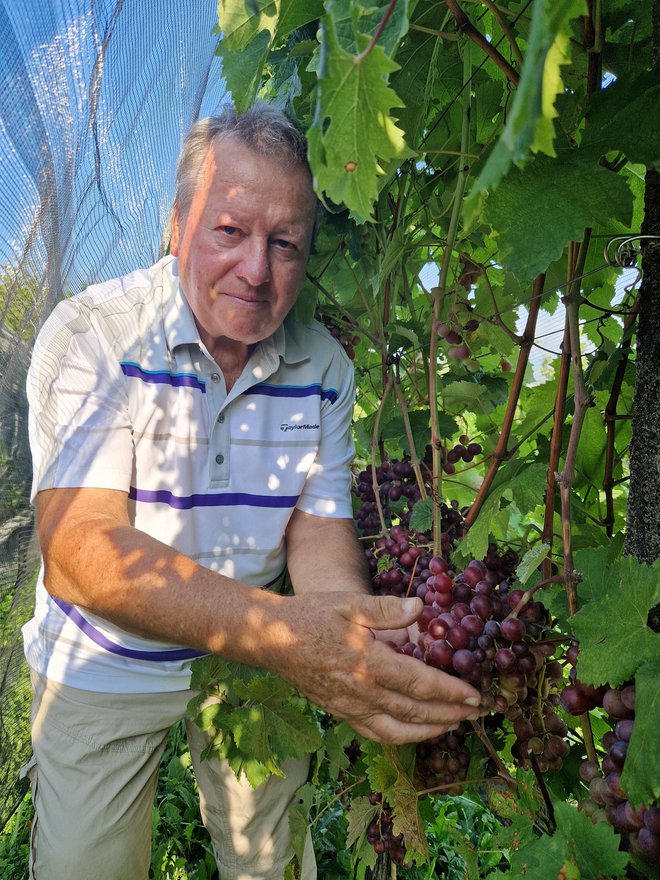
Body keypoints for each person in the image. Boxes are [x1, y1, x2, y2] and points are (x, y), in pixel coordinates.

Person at [22, 104, 483, 880]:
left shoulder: (326, 368)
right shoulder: (95, 335)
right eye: (229, 232)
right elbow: (79, 550)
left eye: (285, 244)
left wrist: (343, 631)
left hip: (258, 666)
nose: (257, 271)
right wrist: (287, 636)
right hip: (108, 658)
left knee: (271, 866)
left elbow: (319, 524)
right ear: (177, 225)